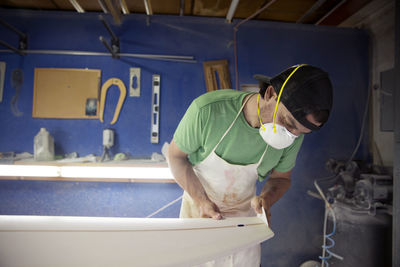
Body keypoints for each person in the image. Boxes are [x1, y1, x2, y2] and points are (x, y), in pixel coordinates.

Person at [167, 64, 333, 267]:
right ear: (271, 93)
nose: (290, 135)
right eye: (287, 122)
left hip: (243, 222)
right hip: (198, 213)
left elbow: (281, 178)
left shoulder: (291, 137)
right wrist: (202, 201)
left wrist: (266, 200)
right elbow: (175, 157)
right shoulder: (208, 111)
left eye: (300, 132)